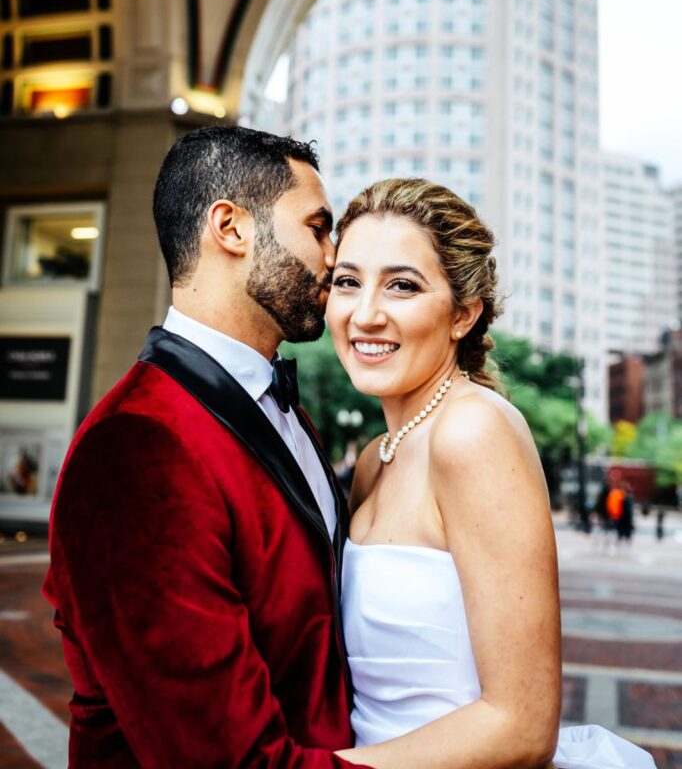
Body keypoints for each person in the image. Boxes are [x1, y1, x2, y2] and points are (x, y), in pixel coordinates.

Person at [43, 126, 371, 768]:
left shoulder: (289, 416)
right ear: (231, 228)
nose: (334, 258)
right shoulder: (134, 450)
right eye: (318, 227)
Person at [325, 178, 655, 769]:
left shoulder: (474, 432)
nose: (365, 314)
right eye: (347, 282)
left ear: (463, 315)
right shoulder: (376, 459)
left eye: (402, 285)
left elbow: (521, 725)